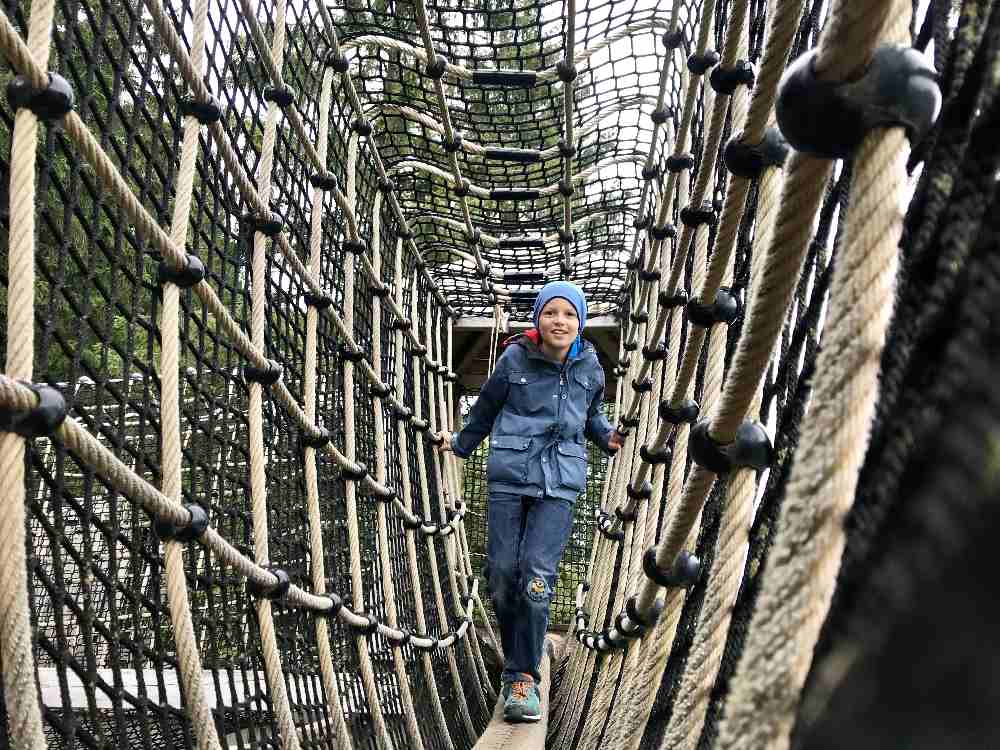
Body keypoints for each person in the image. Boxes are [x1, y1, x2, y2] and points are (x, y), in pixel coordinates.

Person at [436, 281, 624, 723]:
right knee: (502, 576)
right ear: (538, 319)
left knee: (537, 580)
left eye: (569, 315)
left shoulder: (590, 367)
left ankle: (521, 676)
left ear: (579, 324)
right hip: (511, 477)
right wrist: (460, 443)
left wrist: (609, 436)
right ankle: (523, 646)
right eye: (551, 313)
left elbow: (592, 414)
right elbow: (485, 408)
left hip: (560, 484)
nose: (560, 321)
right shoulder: (514, 359)